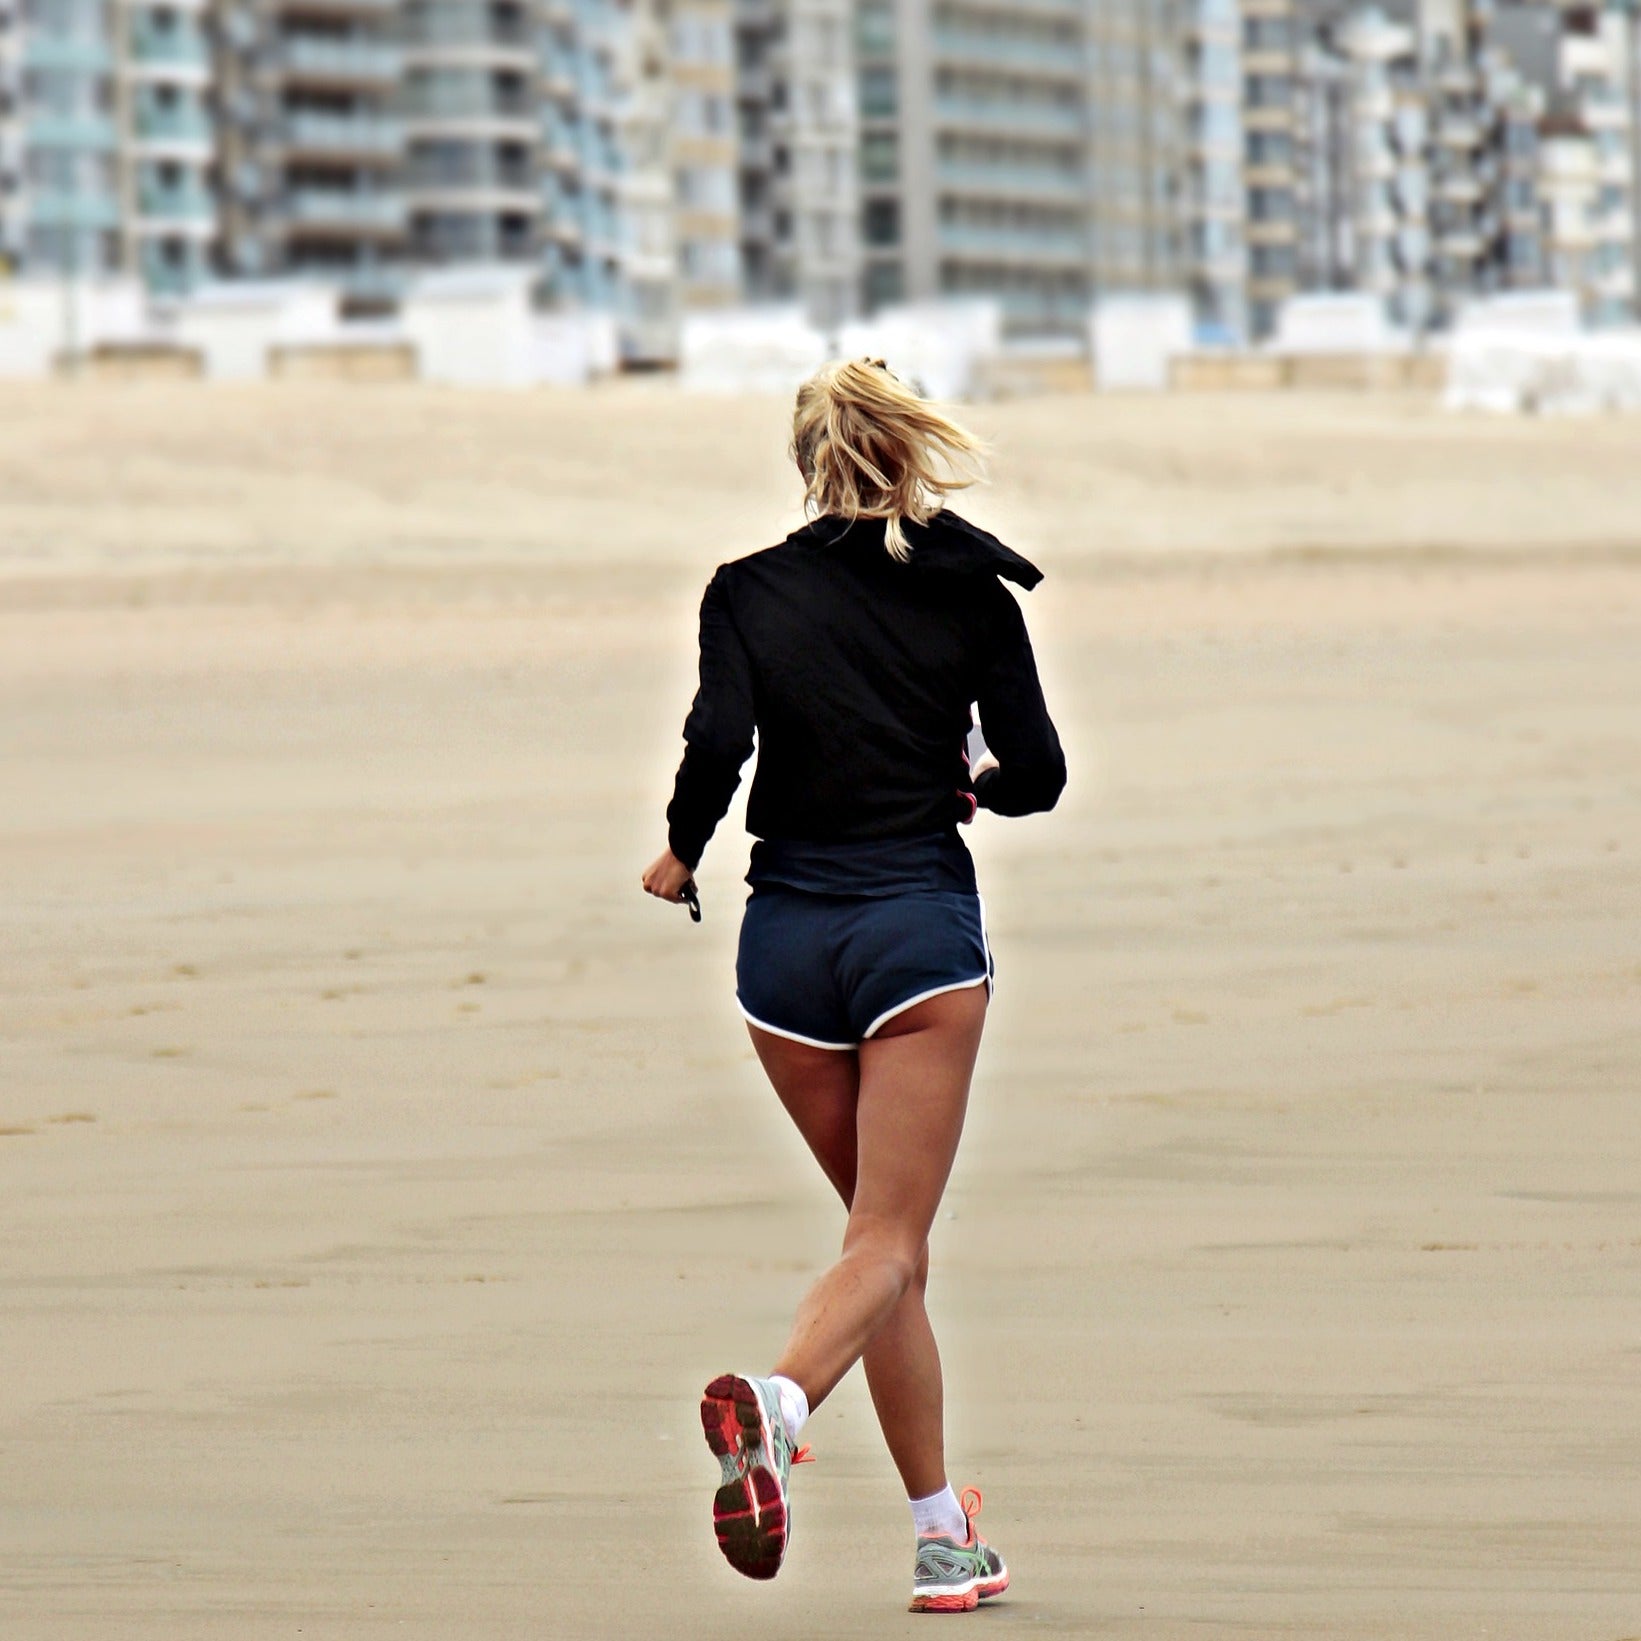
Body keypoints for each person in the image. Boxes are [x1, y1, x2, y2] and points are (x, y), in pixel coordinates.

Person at [641, 357, 1065, 1614]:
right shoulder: (973, 593)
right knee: (887, 1241)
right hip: (914, 944)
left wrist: (680, 845)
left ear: (807, 462)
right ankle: (775, 1407)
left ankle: (945, 1538)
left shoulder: (746, 590)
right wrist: (971, 786)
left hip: (784, 956)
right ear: (909, 448)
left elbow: (718, 739)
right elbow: (1035, 772)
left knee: (885, 1255)